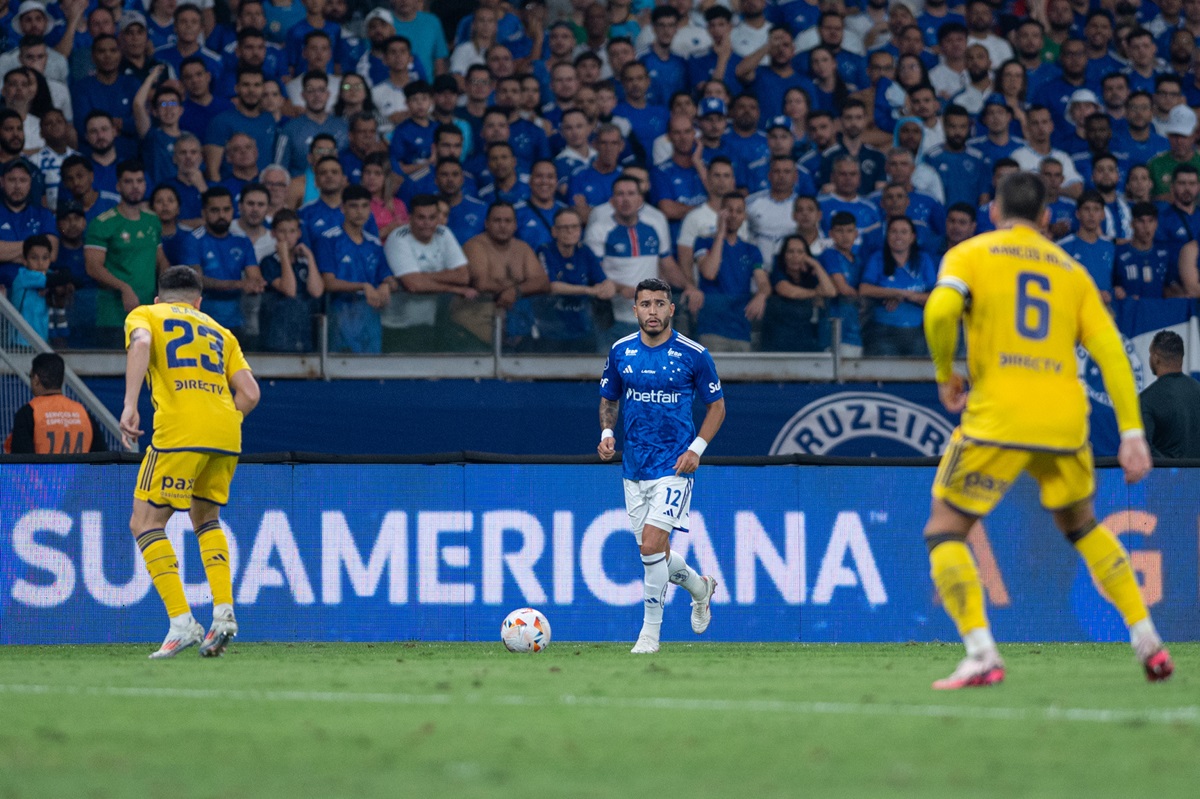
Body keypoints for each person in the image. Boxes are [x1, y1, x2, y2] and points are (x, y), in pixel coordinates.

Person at [922, 171, 1173, 689]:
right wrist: (1131, 432)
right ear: (1045, 219)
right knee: (1083, 527)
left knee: (945, 529)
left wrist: (947, 372)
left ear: (993, 210)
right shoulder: (1072, 270)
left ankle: (981, 652)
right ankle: (1147, 639)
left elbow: (941, 308)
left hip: (998, 418)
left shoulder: (971, 254)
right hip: (1063, 421)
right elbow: (1111, 353)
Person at [120, 265, 259, 658]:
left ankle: (182, 621)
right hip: (227, 431)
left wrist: (130, 405)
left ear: (159, 298)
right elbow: (249, 392)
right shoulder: (221, 331)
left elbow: (142, 344)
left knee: (145, 522)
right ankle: (224, 612)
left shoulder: (146, 314)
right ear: (199, 302)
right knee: (207, 520)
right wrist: (220, 421)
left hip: (180, 431)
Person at [597, 276, 724, 655]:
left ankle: (649, 634)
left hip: (676, 465)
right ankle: (701, 588)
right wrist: (606, 431)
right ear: (635, 309)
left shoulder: (694, 354)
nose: (652, 311)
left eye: (659, 304)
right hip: (634, 466)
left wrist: (696, 449)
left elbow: (717, 407)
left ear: (672, 309)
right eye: (645, 304)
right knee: (654, 554)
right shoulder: (621, 351)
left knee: (652, 545)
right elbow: (609, 397)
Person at [85, 159, 169, 348]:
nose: (135, 187)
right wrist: (124, 288)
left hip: (148, 311)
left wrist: (168, 285)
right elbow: (92, 267)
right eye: (129, 181)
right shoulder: (103, 223)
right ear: (118, 185)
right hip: (113, 314)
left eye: (139, 181)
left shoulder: (152, 220)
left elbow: (160, 258)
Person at [5, 351, 108, 454]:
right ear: (62, 379)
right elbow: (101, 458)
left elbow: (21, 460)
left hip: (44, 470)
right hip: (78, 470)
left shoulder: (28, 413)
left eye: (30, 376)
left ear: (36, 379)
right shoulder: (83, 414)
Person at [1140, 330, 1200, 458]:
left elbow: (1143, 449)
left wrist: (1172, 471)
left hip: (1165, 477)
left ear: (1156, 358)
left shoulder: (1146, 399)